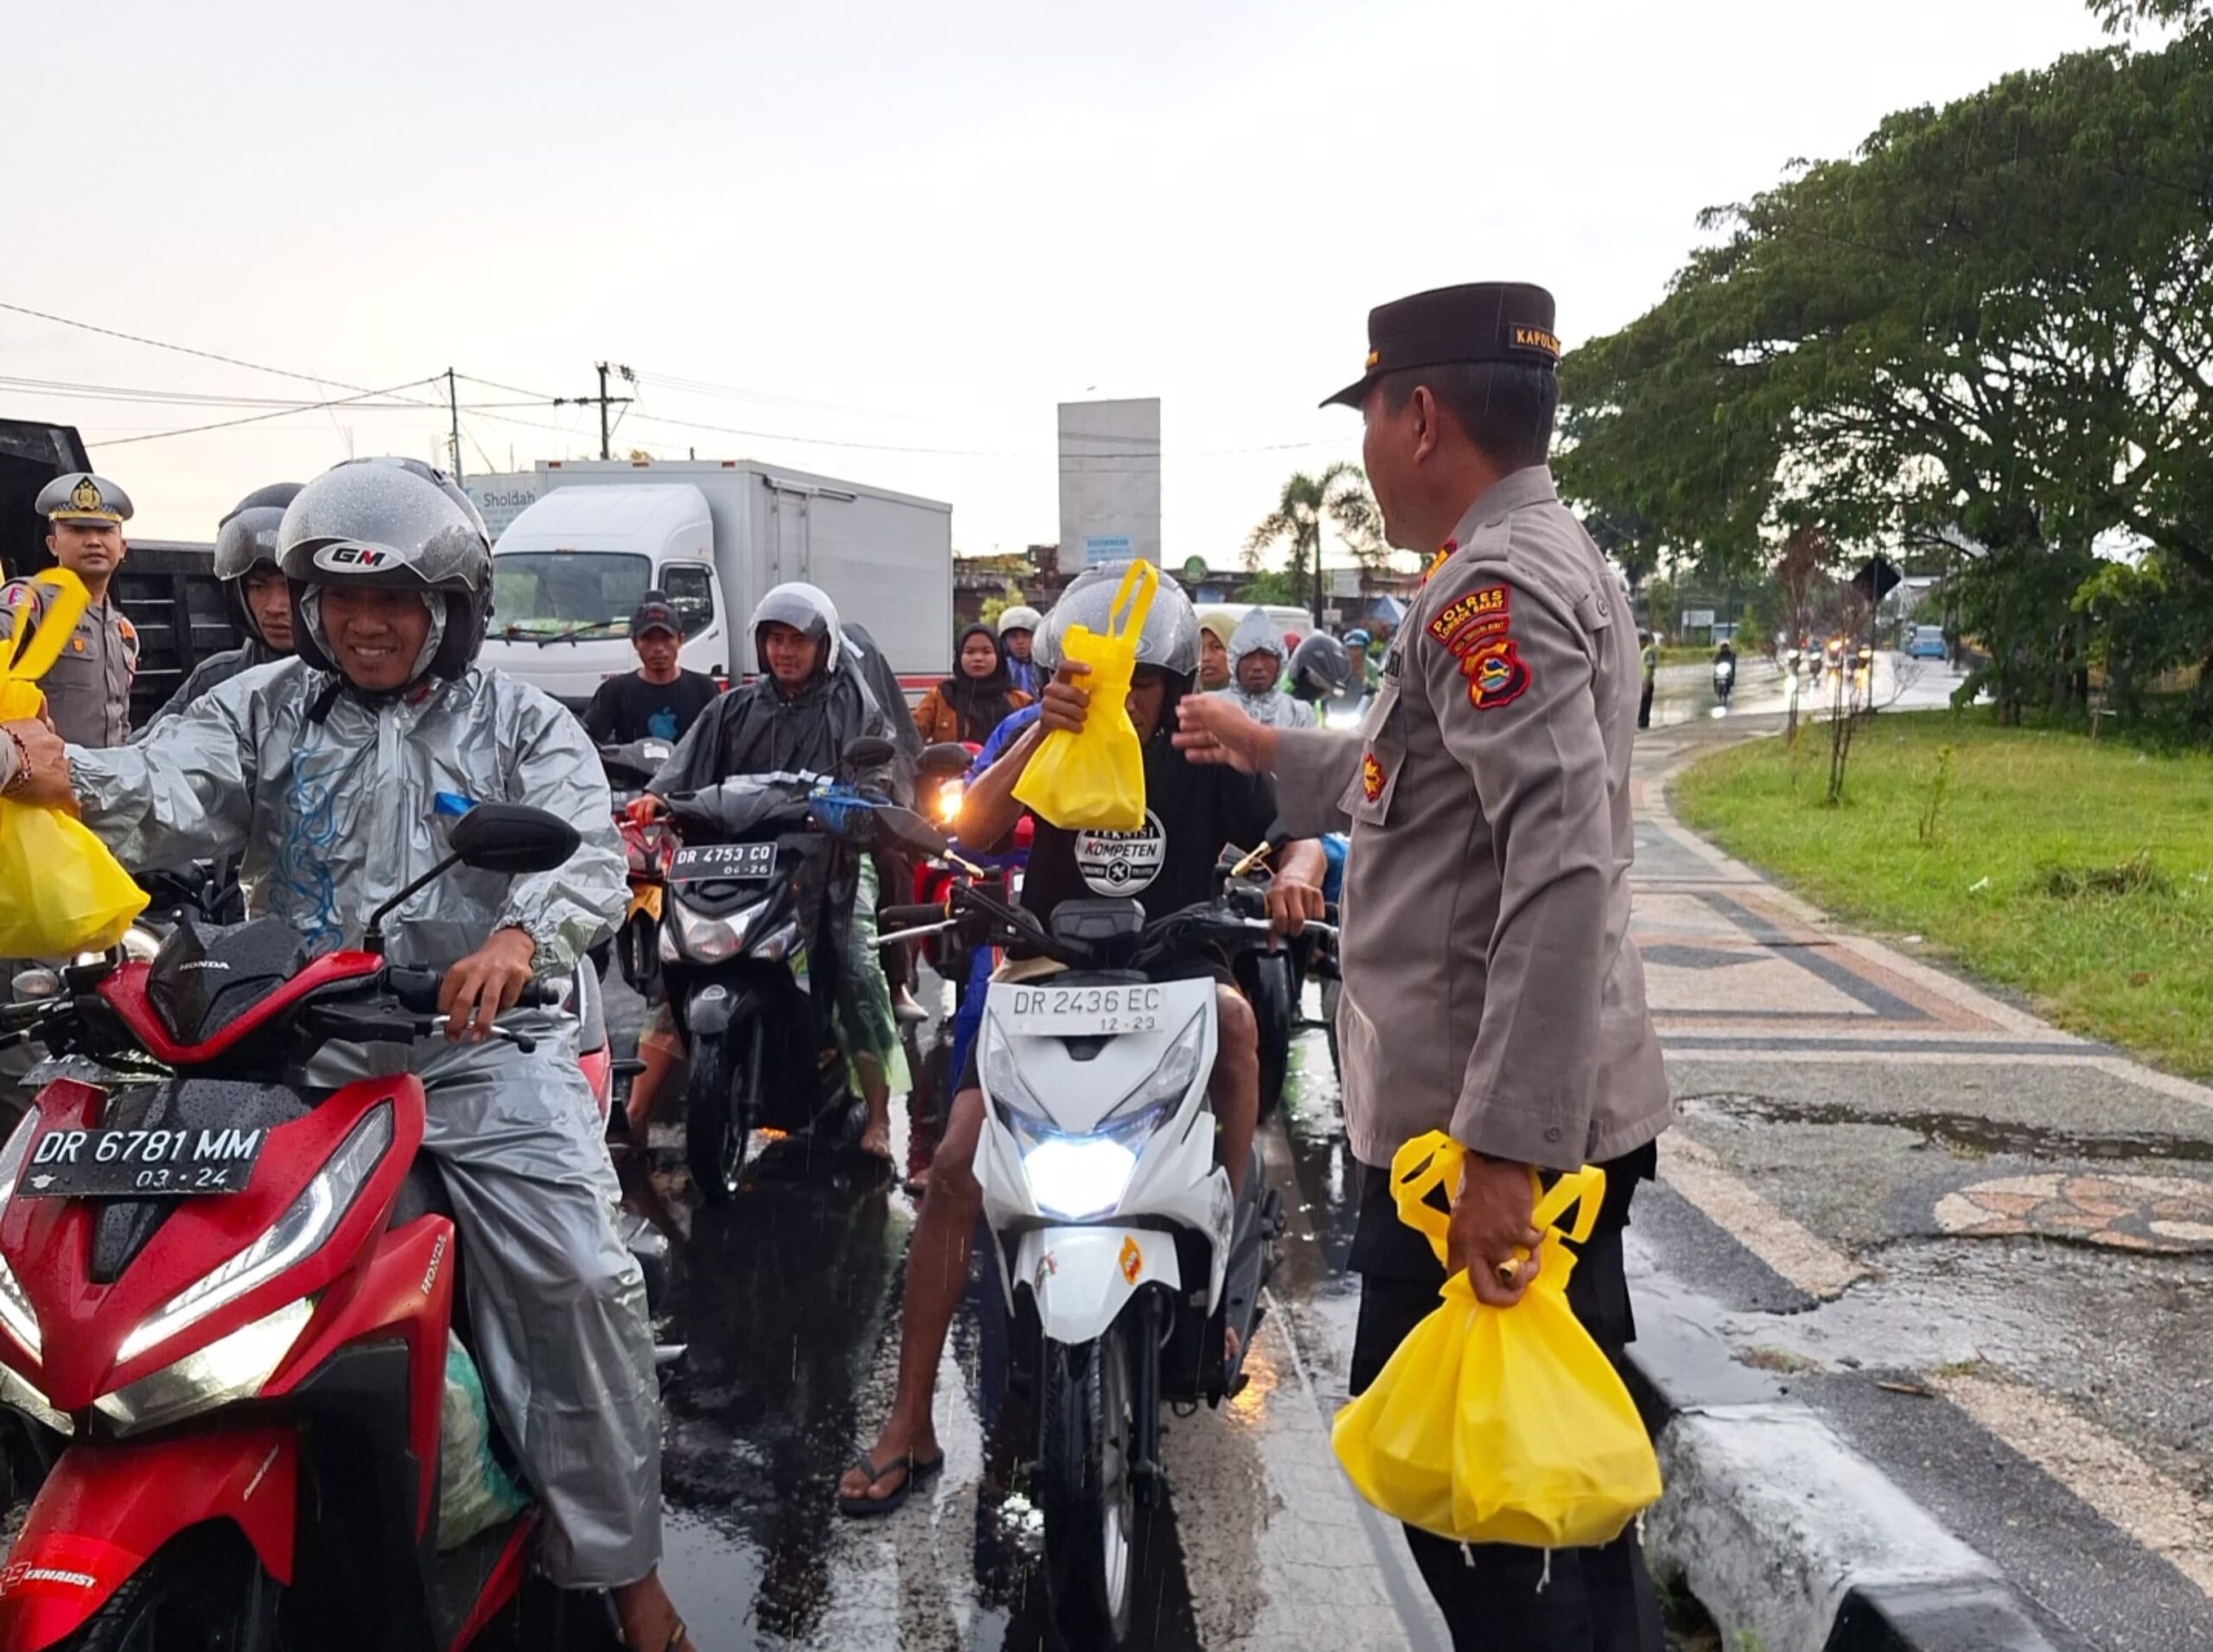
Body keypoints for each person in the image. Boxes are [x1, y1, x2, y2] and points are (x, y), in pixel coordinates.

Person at [2, 456, 691, 1651]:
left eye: (398, 603)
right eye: (343, 601)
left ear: (453, 609)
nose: (367, 625)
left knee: (579, 1273)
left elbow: (585, 849)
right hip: (293, 1055)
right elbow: (169, 784)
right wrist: (56, 772)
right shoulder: (261, 704)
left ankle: (626, 1576)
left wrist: (521, 935)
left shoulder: (520, 719)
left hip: (472, 1054)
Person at [1175, 281, 1669, 1651]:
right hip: (1511, 1115)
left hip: (1480, 1135)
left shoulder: (1492, 591)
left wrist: (1505, 1152)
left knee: (1487, 1498)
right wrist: (1275, 752)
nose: (1374, 448)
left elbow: (1558, 868)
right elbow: (1418, 784)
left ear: (1424, 414)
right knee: (1543, 1478)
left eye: (1376, 413)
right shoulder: (1545, 556)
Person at [836, 565, 1327, 1519]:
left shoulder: (1205, 747)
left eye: (1141, 682)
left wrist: (1298, 876)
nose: (1125, 700)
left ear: (1175, 686)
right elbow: (968, 832)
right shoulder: (1039, 736)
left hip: (1173, 969)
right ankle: (909, 1422)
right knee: (952, 1166)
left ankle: (1220, 1239)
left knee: (1236, 1021)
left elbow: (1297, 831)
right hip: (1048, 971)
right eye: (1103, 679)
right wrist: (1040, 737)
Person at [629, 583, 909, 1155]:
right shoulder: (733, 707)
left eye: (798, 641)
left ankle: (879, 1114)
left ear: (824, 645)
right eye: (774, 639)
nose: (785, 652)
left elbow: (882, 779)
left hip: (830, 860)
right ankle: (632, 1112)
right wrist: (654, 799)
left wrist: (857, 805)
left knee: (856, 964)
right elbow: (678, 772)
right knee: (679, 959)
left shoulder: (853, 705)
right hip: (736, 862)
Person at [139, 482, 303, 733]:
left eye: (290, 588)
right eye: (258, 587)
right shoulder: (217, 679)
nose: (275, 607)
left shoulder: (354, 685)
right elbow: (144, 751)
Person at [2, 473, 140, 749]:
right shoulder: (32, 600)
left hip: (108, 784)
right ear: (53, 544)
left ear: (122, 547)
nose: (93, 541)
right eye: (77, 530)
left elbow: (119, 720)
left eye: (105, 530)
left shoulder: (122, 630)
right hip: (44, 784)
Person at [581, 591, 721, 747]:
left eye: (665, 638)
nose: (658, 648)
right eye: (648, 639)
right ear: (635, 642)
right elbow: (586, 744)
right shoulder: (615, 691)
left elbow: (722, 744)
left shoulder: (704, 689)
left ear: (680, 640)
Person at [910, 622, 1033, 744]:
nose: (978, 658)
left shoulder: (1020, 701)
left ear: (999, 656)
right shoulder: (941, 696)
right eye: (970, 652)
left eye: (987, 651)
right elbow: (910, 735)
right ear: (959, 656)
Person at [1223, 607, 1317, 729]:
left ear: (1280, 661)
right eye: (1249, 656)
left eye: (1266, 656)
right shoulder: (1213, 708)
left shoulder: (1300, 714)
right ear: (1235, 661)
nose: (1258, 666)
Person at [997, 604, 1044, 698]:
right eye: (1013, 636)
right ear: (1004, 641)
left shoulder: (1044, 668)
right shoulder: (1000, 668)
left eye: (1026, 635)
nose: (1020, 641)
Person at [1197, 609, 1237, 692]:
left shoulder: (1256, 701)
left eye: (1216, 647)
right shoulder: (1183, 701)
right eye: (1200, 650)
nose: (1206, 658)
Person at [1637, 628, 1656, 729]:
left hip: (1646, 684)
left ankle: (1644, 725)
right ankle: (1641, 723)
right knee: (1640, 706)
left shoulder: (1648, 652)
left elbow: (1649, 669)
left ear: (1643, 641)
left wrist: (1645, 684)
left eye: (1639, 641)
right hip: (1641, 683)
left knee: (1644, 706)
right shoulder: (1643, 651)